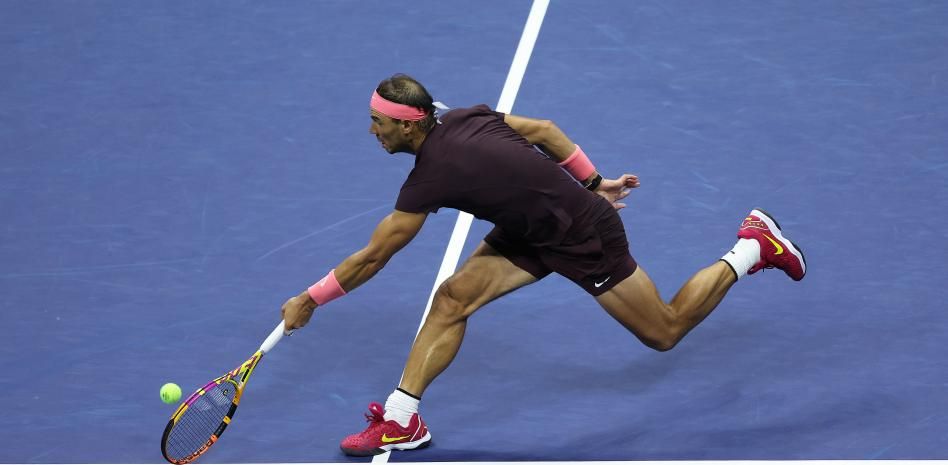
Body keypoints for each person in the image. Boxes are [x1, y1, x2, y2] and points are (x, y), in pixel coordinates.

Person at [280, 74, 806, 456]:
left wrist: (310, 299)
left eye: (379, 123)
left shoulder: (429, 179)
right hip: (534, 228)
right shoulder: (466, 116)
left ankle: (753, 247)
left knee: (664, 332)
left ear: (410, 126)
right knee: (452, 298)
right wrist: (595, 181)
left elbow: (375, 255)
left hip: (581, 235)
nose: (372, 131)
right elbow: (547, 130)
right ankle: (402, 420)